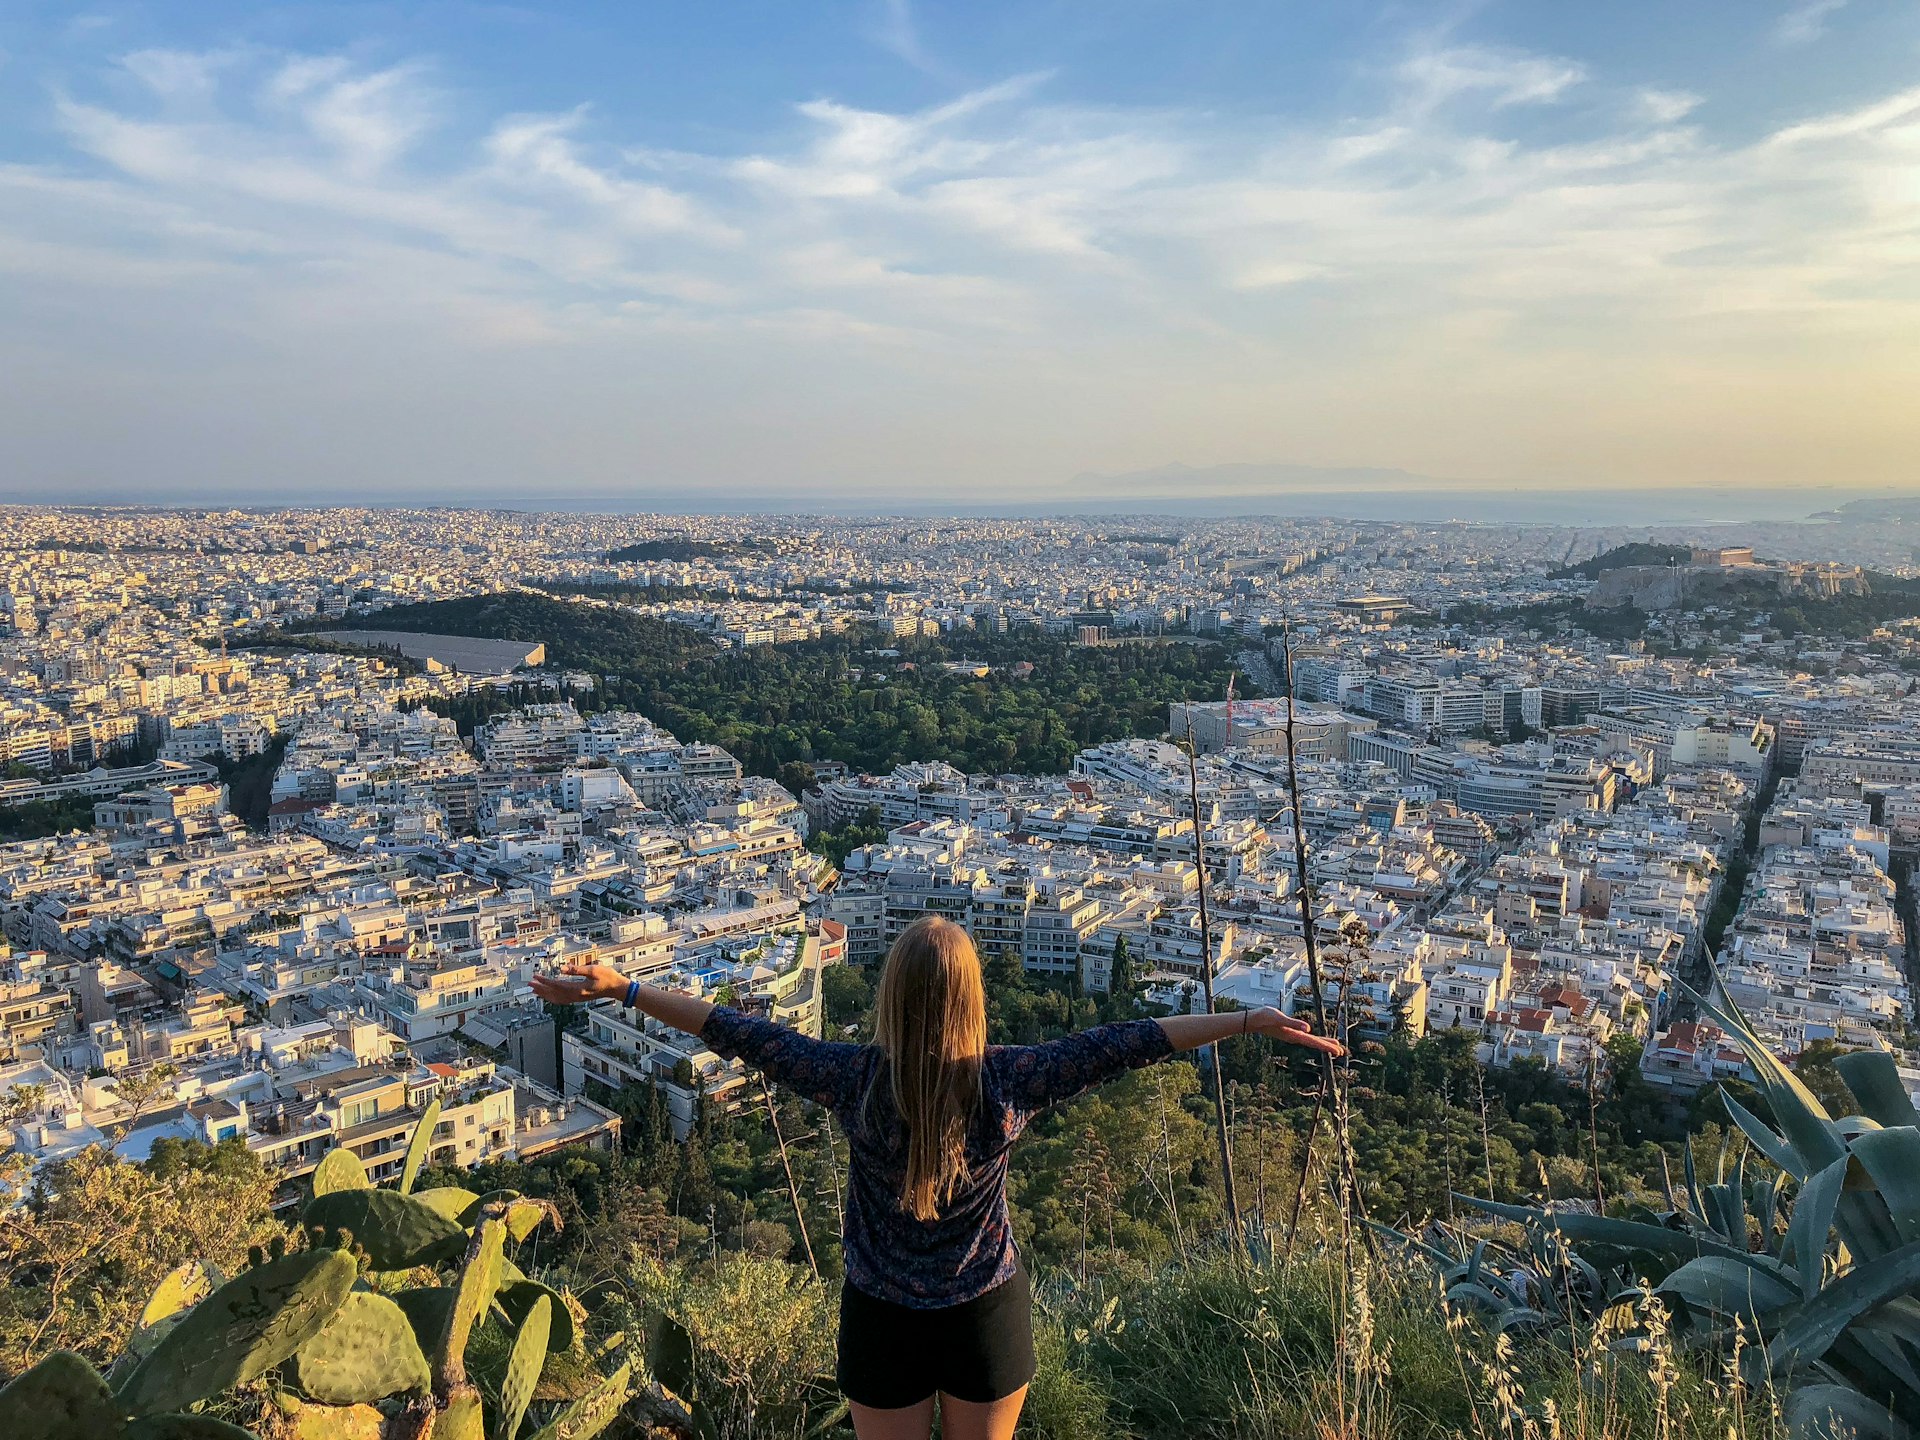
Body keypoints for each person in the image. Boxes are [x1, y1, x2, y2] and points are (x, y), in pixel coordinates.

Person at [531, 913, 1343, 1440]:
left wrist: (625, 987)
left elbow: (734, 1028)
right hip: (985, 1312)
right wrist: (1245, 1020)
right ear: (972, 999)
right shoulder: (1012, 1079)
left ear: (890, 995)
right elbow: (1133, 1039)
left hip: (880, 1315)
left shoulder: (851, 1080)